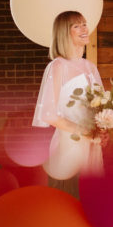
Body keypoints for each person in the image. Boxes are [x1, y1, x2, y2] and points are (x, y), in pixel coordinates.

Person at [32, 11, 105, 179]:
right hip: (70, 145)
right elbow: (48, 114)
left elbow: (101, 106)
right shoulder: (58, 66)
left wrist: (103, 129)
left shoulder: (90, 67)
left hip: (93, 147)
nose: (84, 28)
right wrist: (85, 131)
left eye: (84, 24)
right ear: (64, 32)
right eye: (76, 26)